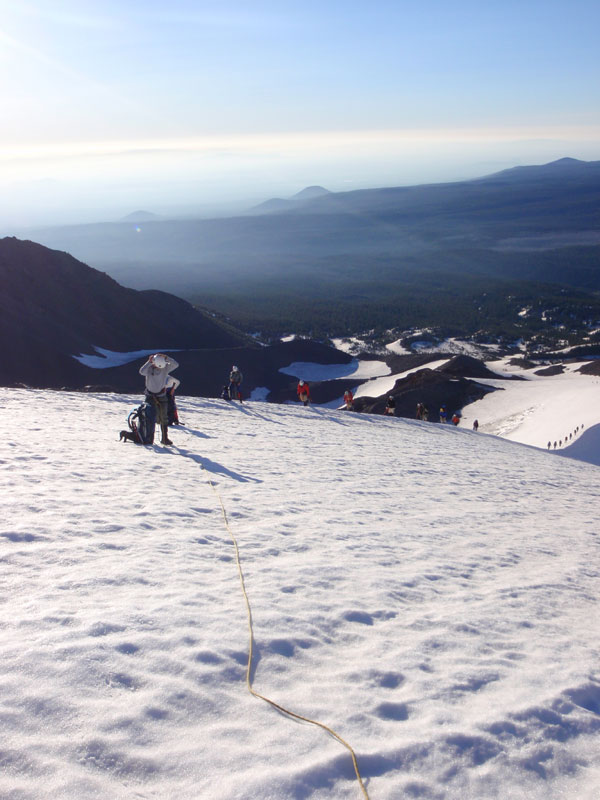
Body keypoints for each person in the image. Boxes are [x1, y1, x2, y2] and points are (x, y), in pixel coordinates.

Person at [139, 353, 179, 445]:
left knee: (149, 416)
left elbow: (141, 371)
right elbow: (176, 364)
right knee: (163, 417)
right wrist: (167, 358)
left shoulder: (149, 369)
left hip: (150, 396)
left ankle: (148, 437)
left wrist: (149, 362)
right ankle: (164, 439)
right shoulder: (165, 369)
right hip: (161, 396)